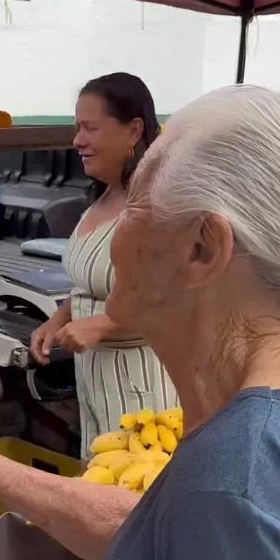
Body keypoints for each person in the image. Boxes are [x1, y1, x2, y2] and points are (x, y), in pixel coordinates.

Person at [0, 84, 280, 560]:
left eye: (142, 198)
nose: (118, 230)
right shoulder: (251, 439)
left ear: (202, 248)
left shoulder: (235, 479)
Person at [30, 72, 176, 458]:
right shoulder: (105, 197)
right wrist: (60, 318)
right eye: (77, 128)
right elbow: (93, 286)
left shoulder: (157, 203)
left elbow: (178, 299)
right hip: (96, 384)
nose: (78, 140)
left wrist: (104, 325)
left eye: (90, 127)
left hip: (142, 391)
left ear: (134, 130)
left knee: (132, 500)